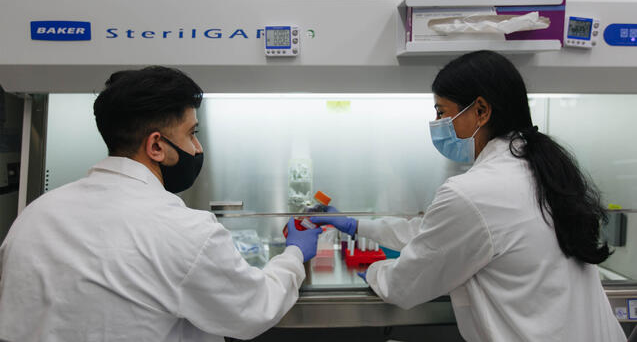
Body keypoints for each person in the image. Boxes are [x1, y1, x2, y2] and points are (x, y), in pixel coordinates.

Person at [312, 51, 626, 341]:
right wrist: (357, 226)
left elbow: (404, 285)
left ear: (480, 110)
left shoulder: (475, 192)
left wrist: (373, 270)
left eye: (441, 111)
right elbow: (440, 234)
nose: (436, 124)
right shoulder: (540, 170)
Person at [0, 66, 322, 342]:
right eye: (192, 133)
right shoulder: (186, 231)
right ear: (156, 145)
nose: (196, 148)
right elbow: (255, 308)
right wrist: (295, 254)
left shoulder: (34, 216)